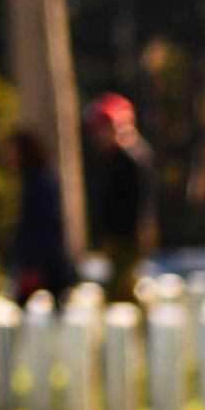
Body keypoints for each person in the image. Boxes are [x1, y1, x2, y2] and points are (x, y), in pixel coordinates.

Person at [85, 96, 156, 279]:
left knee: (126, 285)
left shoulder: (132, 156)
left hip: (128, 235)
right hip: (113, 234)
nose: (99, 137)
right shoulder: (108, 159)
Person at [7, 128, 72, 299]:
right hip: (35, 264)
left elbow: (45, 226)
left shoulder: (40, 181)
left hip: (42, 267)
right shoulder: (30, 180)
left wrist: (35, 265)